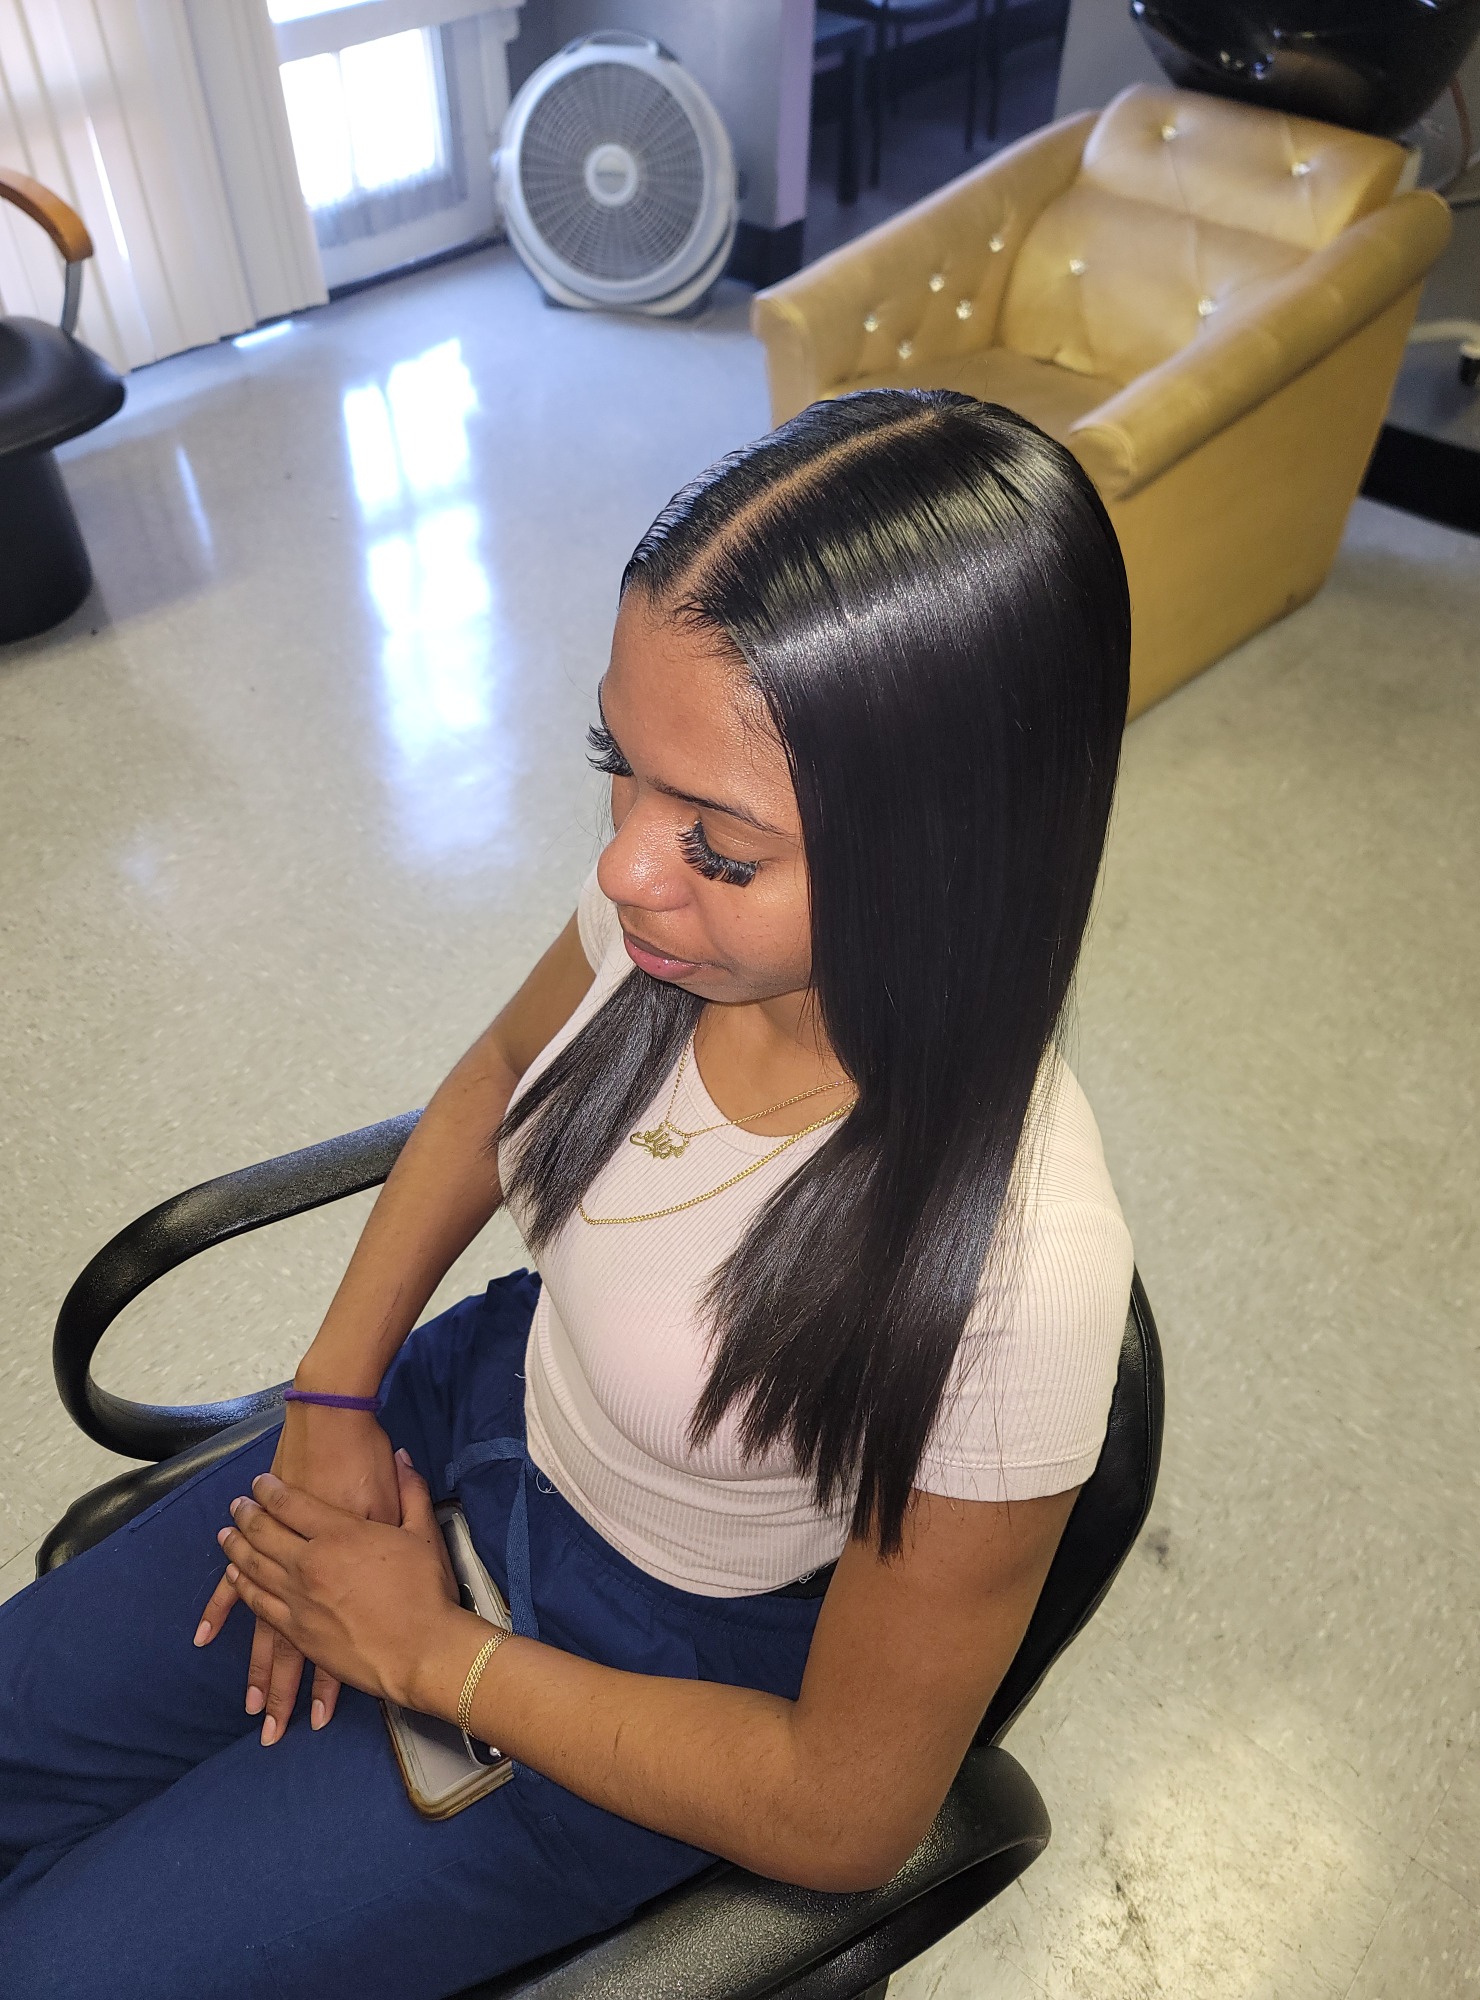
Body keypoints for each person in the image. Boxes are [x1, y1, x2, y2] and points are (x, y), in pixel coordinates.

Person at [0, 389, 1135, 2000]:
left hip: (648, 1668)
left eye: (718, 841)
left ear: (952, 848)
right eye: (623, 767)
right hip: (473, 1415)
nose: (622, 869)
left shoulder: (1019, 1281)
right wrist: (334, 1392)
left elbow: (843, 1811)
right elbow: (490, 1086)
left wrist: (425, 1649)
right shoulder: (670, 923)